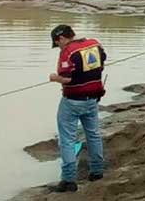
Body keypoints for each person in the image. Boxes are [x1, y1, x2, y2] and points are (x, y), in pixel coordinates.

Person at [48, 25, 106, 193]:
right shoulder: (95, 44)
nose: (59, 46)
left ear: (61, 39)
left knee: (67, 139)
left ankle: (68, 180)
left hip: (73, 101)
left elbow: (67, 79)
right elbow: (101, 63)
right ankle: (97, 172)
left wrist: (53, 78)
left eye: (57, 43)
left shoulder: (68, 52)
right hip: (93, 99)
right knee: (93, 134)